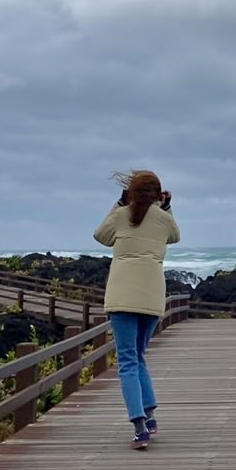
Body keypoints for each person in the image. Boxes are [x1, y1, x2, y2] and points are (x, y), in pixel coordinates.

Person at [94, 170, 180, 449]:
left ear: (130, 192)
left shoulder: (121, 215)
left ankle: (140, 426)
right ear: (157, 193)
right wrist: (166, 207)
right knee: (139, 357)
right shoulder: (165, 219)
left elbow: (101, 236)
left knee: (128, 360)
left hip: (122, 296)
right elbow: (175, 236)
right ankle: (150, 416)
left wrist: (120, 204)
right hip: (151, 297)